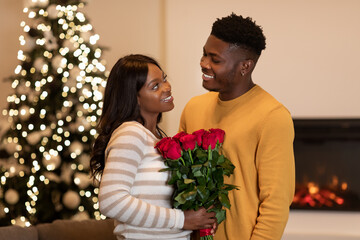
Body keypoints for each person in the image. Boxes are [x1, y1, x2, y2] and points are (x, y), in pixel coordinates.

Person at [179, 14, 295, 240]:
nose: (204, 63)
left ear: (245, 66)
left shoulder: (273, 116)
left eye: (215, 59)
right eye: (204, 53)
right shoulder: (193, 108)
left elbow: (276, 202)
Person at [90, 54, 216, 240]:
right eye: (155, 86)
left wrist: (199, 220)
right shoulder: (130, 134)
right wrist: (181, 220)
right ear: (135, 98)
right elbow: (111, 201)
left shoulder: (156, 138)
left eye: (164, 79)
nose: (167, 87)